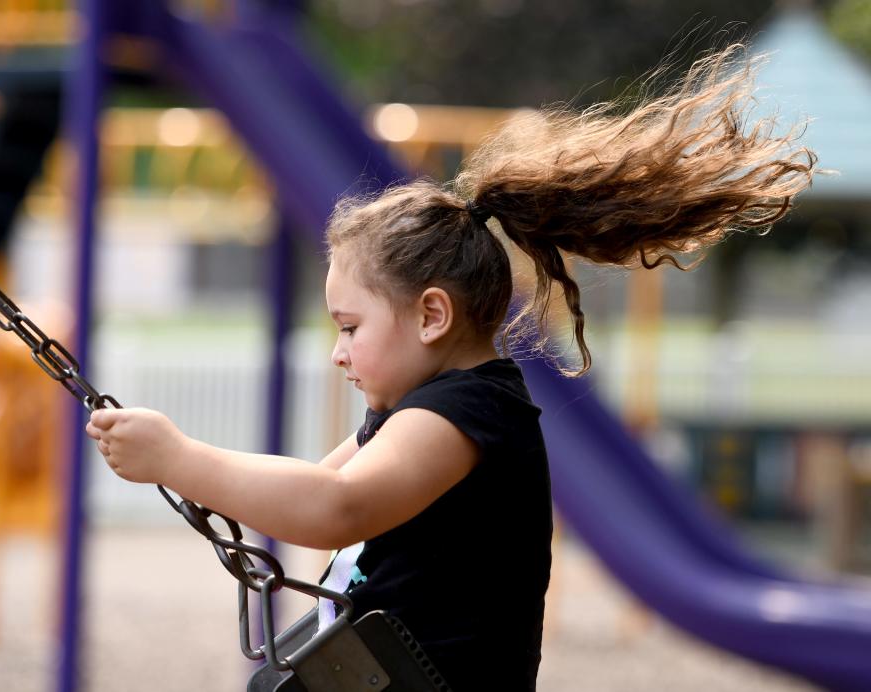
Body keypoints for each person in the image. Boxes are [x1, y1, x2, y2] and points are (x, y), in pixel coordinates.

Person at [86, 44, 817, 690]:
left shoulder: (466, 416)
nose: (337, 350)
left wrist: (177, 457)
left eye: (350, 326)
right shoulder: (415, 412)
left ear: (432, 316)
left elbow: (337, 509)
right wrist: (184, 467)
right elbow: (318, 501)